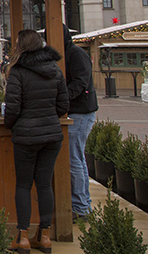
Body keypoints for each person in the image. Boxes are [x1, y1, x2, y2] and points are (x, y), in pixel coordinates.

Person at [4, 29, 68, 253]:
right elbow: (63, 106)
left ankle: (22, 237)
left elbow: (12, 108)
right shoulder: (55, 70)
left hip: (26, 136)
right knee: (44, 184)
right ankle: (45, 236)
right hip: (52, 135)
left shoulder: (18, 71)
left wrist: (12, 124)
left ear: (21, 45)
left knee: (23, 185)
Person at [62, 25, 98, 221]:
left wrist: (62, 98)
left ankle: (81, 207)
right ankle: (82, 203)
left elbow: (80, 83)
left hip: (80, 113)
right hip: (75, 112)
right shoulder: (66, 54)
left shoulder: (75, 54)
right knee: (77, 159)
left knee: (74, 159)